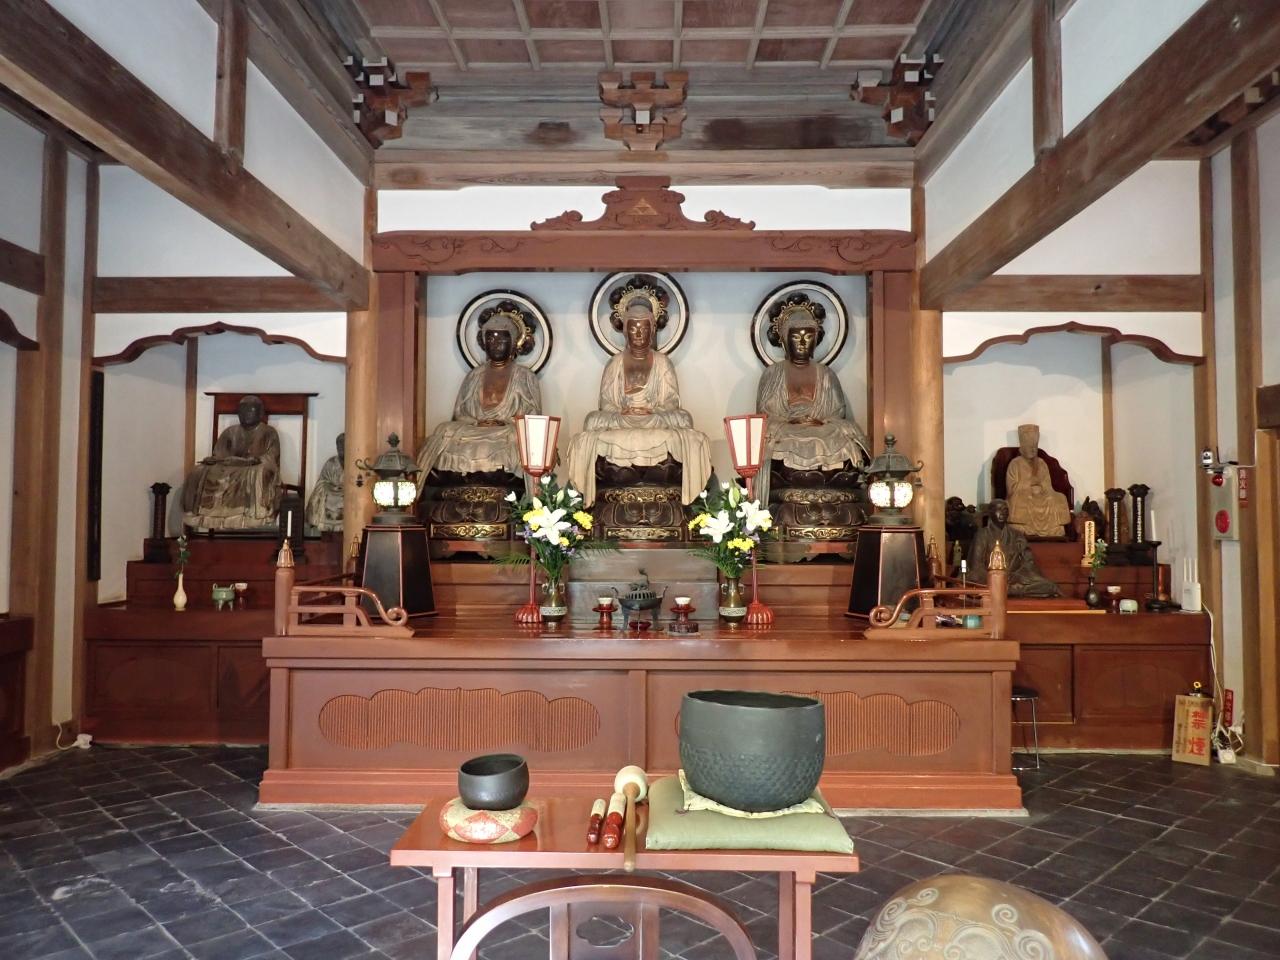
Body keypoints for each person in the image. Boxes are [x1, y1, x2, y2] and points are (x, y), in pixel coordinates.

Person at [565, 296, 711, 506]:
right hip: (622, 420)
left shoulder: (662, 363)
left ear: (652, 330)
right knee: (591, 421)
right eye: (633, 328)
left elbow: (671, 403)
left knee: (685, 420)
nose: (639, 334)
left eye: (644, 328)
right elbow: (606, 404)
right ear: (625, 331)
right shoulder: (615, 363)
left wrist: (653, 412)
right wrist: (621, 412)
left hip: (654, 420)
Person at [754, 301, 870, 505]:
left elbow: (837, 414)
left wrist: (821, 422)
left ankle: (821, 476)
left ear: (816, 339)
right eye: (795, 337)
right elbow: (764, 416)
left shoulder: (826, 374)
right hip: (787, 432)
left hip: (822, 430)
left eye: (808, 337)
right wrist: (792, 422)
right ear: (784, 339)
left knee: (847, 432)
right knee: (770, 439)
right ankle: (802, 476)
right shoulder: (773, 373)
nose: (802, 342)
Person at [415, 309, 542, 490]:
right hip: (474, 429)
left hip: (505, 432)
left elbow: (534, 420)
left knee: (518, 440)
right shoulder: (474, 376)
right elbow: (459, 414)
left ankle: (487, 477)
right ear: (484, 343)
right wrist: (477, 423)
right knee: (444, 429)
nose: (495, 344)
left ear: (514, 343)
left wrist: (503, 422)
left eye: (501, 340)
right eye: (490, 339)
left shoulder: (525, 376)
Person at [182, 394, 281, 530]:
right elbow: (219, 453)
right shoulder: (230, 432)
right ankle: (201, 512)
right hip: (230, 466)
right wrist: (216, 459)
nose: (246, 415)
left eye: (251, 411)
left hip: (253, 467)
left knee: (260, 472)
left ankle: (252, 514)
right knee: (198, 471)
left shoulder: (268, 432)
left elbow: (272, 456)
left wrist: (256, 460)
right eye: (243, 411)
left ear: (260, 413)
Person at [967, 499, 1061, 598]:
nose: (1002, 512)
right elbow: (976, 566)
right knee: (975, 578)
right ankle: (1010, 590)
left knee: (1048, 585)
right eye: (998, 509)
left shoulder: (1016, 535)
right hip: (990, 578)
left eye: (1005, 509)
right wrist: (996, 578)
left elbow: (1028, 561)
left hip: (1014, 578)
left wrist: (1018, 575)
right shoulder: (982, 535)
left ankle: (1009, 590)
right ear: (990, 513)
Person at [1006, 423, 1072, 537]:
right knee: (1018, 501)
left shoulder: (1041, 463)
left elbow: (1048, 486)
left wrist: (1041, 487)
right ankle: (1023, 527)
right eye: (1029, 446)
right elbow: (1011, 489)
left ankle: (1054, 528)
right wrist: (1029, 484)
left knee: (1060, 498)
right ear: (1022, 446)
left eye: (1034, 446)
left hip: (1042, 495)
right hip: (1023, 496)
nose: (1032, 449)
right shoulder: (1015, 464)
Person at [305, 433, 345, 532]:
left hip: (345, 492)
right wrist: (330, 487)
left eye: (343, 445)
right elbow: (322, 481)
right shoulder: (331, 462)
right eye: (339, 446)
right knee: (320, 495)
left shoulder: (354, 462)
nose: (341, 448)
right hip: (330, 490)